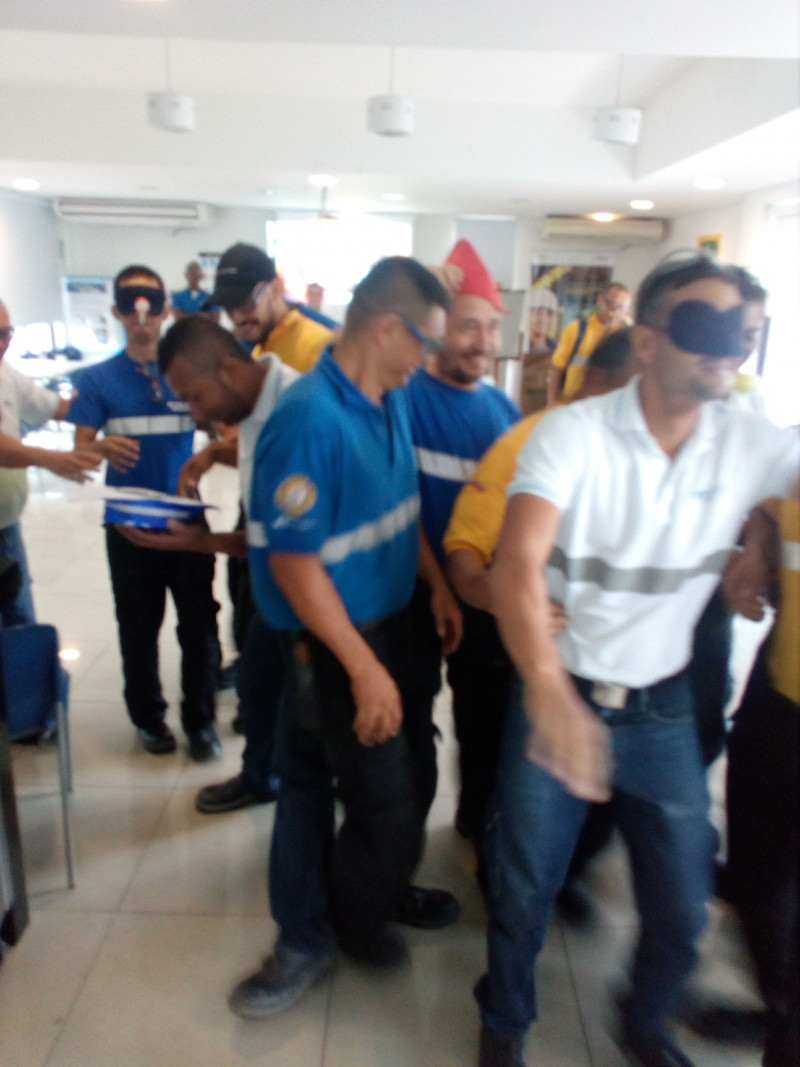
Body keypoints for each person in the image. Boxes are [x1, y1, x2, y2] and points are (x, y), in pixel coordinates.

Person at [476, 254, 798, 1067]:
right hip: (563, 687)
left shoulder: (745, 440)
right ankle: (505, 1018)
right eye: (701, 326)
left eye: (740, 332)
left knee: (685, 901)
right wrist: (548, 689)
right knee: (524, 883)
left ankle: (644, 1018)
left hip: (661, 708)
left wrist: (761, 533)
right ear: (647, 341)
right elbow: (516, 564)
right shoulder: (573, 434)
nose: (726, 348)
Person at [229, 256, 462, 1019]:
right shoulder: (309, 420)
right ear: (389, 329)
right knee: (327, 791)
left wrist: (435, 583)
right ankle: (310, 936)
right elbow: (295, 565)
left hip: (396, 626)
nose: (430, 358)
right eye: (427, 342)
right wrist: (363, 669)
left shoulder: (390, 397)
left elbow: (400, 507)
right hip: (333, 646)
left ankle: (376, 890)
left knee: (407, 775)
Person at [443, 330, 635, 916]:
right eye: (637, 392)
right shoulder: (531, 440)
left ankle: (559, 870)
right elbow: (465, 553)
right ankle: (494, 862)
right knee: (493, 762)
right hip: (498, 637)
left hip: (584, 649)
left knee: (576, 768)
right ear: (596, 384)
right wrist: (508, 599)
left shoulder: (641, 453)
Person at [122, 315, 299, 811]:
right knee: (257, 683)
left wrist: (201, 542)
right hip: (275, 590)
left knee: (304, 710)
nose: (196, 414)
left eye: (195, 397)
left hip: (310, 598)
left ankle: (302, 791)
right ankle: (261, 775)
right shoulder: (256, 409)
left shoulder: (298, 413)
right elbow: (266, 536)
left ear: (227, 370)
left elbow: (292, 546)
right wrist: (198, 535)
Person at [66, 265, 223, 762]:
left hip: (186, 517)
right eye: (131, 308)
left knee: (199, 624)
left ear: (165, 311)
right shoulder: (96, 379)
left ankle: (201, 721)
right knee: (137, 626)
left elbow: (224, 432)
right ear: (116, 312)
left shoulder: (187, 376)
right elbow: (79, 451)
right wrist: (99, 447)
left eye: (152, 308)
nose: (142, 320)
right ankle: (148, 717)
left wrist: (208, 454)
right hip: (129, 524)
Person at [406, 239, 520, 849]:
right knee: (408, 723)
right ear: (436, 327)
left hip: (479, 599)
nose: (483, 342)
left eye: (492, 328)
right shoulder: (402, 396)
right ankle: (398, 842)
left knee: (484, 723)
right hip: (411, 591)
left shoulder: (504, 411)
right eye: (468, 326)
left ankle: (477, 824)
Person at [718, 492, 799, 1067]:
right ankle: (779, 1005)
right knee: (755, 874)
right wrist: (756, 543)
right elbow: (771, 505)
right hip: (776, 702)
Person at [0, 297, 100, 626]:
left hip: (6, 525)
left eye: (6, 333)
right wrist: (51, 459)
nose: (2, 343)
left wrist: (110, 405)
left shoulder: (7, 375)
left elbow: (55, 406)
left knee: (20, 622)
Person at [208, 244, 334, 374]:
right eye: (228, 307)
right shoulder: (259, 351)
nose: (236, 317)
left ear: (275, 289)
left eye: (246, 303)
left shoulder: (317, 348)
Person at [546, 281, 631, 405]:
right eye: (613, 305)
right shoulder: (576, 329)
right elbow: (557, 368)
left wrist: (629, 331)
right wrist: (551, 403)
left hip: (606, 406)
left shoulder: (624, 337)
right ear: (600, 300)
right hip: (573, 403)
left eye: (622, 309)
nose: (616, 312)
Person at [520, 287, 559, 415]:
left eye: (549, 314)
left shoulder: (558, 349)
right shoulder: (518, 346)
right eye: (538, 313)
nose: (543, 319)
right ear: (527, 314)